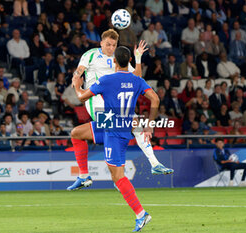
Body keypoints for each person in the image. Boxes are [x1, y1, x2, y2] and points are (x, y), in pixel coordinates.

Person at [71, 46, 154, 231]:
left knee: (117, 177)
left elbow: (82, 98)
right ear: (129, 61)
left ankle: (141, 214)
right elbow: (154, 99)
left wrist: (77, 85)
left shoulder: (106, 80)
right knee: (76, 133)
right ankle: (84, 175)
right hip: (112, 123)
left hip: (114, 132)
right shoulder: (135, 80)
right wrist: (150, 124)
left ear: (114, 61)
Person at [70, 29, 172, 175]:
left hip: (113, 98)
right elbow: (79, 71)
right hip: (95, 99)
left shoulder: (119, 57)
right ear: (101, 43)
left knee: (135, 125)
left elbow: (136, 78)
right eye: (108, 45)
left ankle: (154, 163)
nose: (111, 48)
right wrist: (76, 79)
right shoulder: (91, 55)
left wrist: (137, 58)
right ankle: (114, 173)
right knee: (120, 129)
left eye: (114, 45)